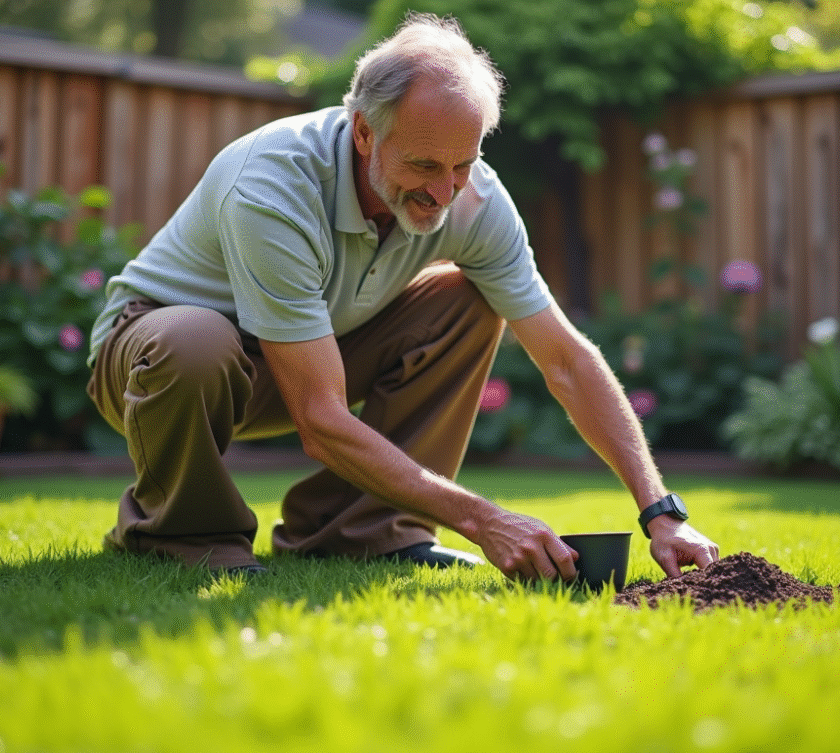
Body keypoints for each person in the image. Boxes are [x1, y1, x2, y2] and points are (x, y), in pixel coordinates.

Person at [86, 12, 719, 582]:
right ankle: (184, 534)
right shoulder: (273, 183)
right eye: (422, 166)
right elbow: (321, 419)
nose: (445, 192)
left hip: (302, 356)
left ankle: (363, 535)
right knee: (196, 338)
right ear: (364, 132)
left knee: (469, 300)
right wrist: (483, 519)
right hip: (155, 360)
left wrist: (660, 511)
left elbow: (566, 359)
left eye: (462, 164)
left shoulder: (476, 200)